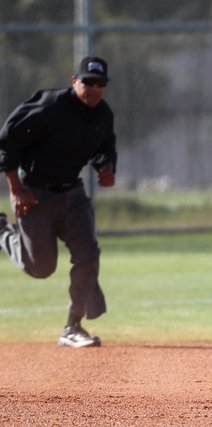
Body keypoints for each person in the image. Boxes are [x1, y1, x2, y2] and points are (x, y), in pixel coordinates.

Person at [0, 56, 117, 348]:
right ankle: (2, 231)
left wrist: (106, 166)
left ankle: (72, 327)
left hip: (72, 195)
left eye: (100, 83)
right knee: (41, 268)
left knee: (88, 253)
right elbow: (7, 141)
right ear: (74, 81)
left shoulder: (103, 114)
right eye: (88, 82)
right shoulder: (51, 105)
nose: (94, 88)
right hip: (34, 193)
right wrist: (15, 190)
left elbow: (105, 145)